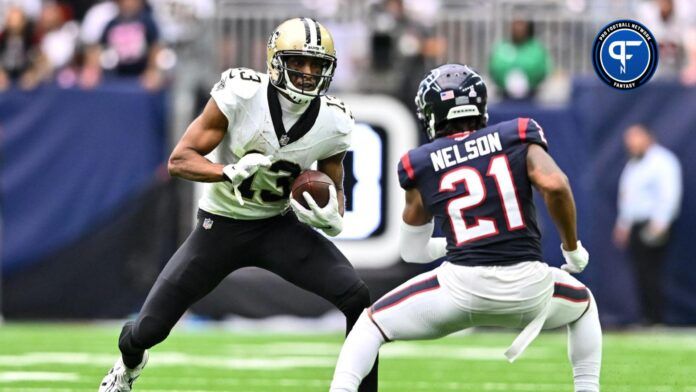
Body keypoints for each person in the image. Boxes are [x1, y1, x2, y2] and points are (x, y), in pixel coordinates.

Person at [98, 17, 377, 392]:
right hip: (221, 224)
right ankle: (127, 366)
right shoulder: (242, 94)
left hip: (278, 225)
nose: (308, 73)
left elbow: (335, 185)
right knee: (146, 330)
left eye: (317, 65)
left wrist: (332, 216)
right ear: (276, 61)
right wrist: (227, 171)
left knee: (357, 296)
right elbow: (179, 160)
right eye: (298, 62)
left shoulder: (335, 120)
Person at [329, 64, 602, 392]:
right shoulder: (517, 133)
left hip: (459, 289)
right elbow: (556, 185)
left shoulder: (421, 161)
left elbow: (412, 252)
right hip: (530, 288)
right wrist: (571, 248)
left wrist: (455, 242)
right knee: (584, 305)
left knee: (369, 325)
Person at [613, 124, 682, 325]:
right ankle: (646, 316)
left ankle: (656, 317)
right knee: (639, 271)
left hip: (653, 223)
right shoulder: (633, 164)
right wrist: (623, 224)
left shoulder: (662, 161)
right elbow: (628, 197)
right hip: (635, 224)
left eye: (635, 138)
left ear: (647, 137)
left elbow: (669, 194)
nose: (631, 144)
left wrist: (661, 222)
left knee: (653, 271)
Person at [489, 18, 552, 100]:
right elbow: (493, 66)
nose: (518, 28)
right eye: (515, 24)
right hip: (504, 96)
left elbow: (545, 68)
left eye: (521, 24)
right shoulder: (502, 46)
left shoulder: (536, 48)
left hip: (531, 96)